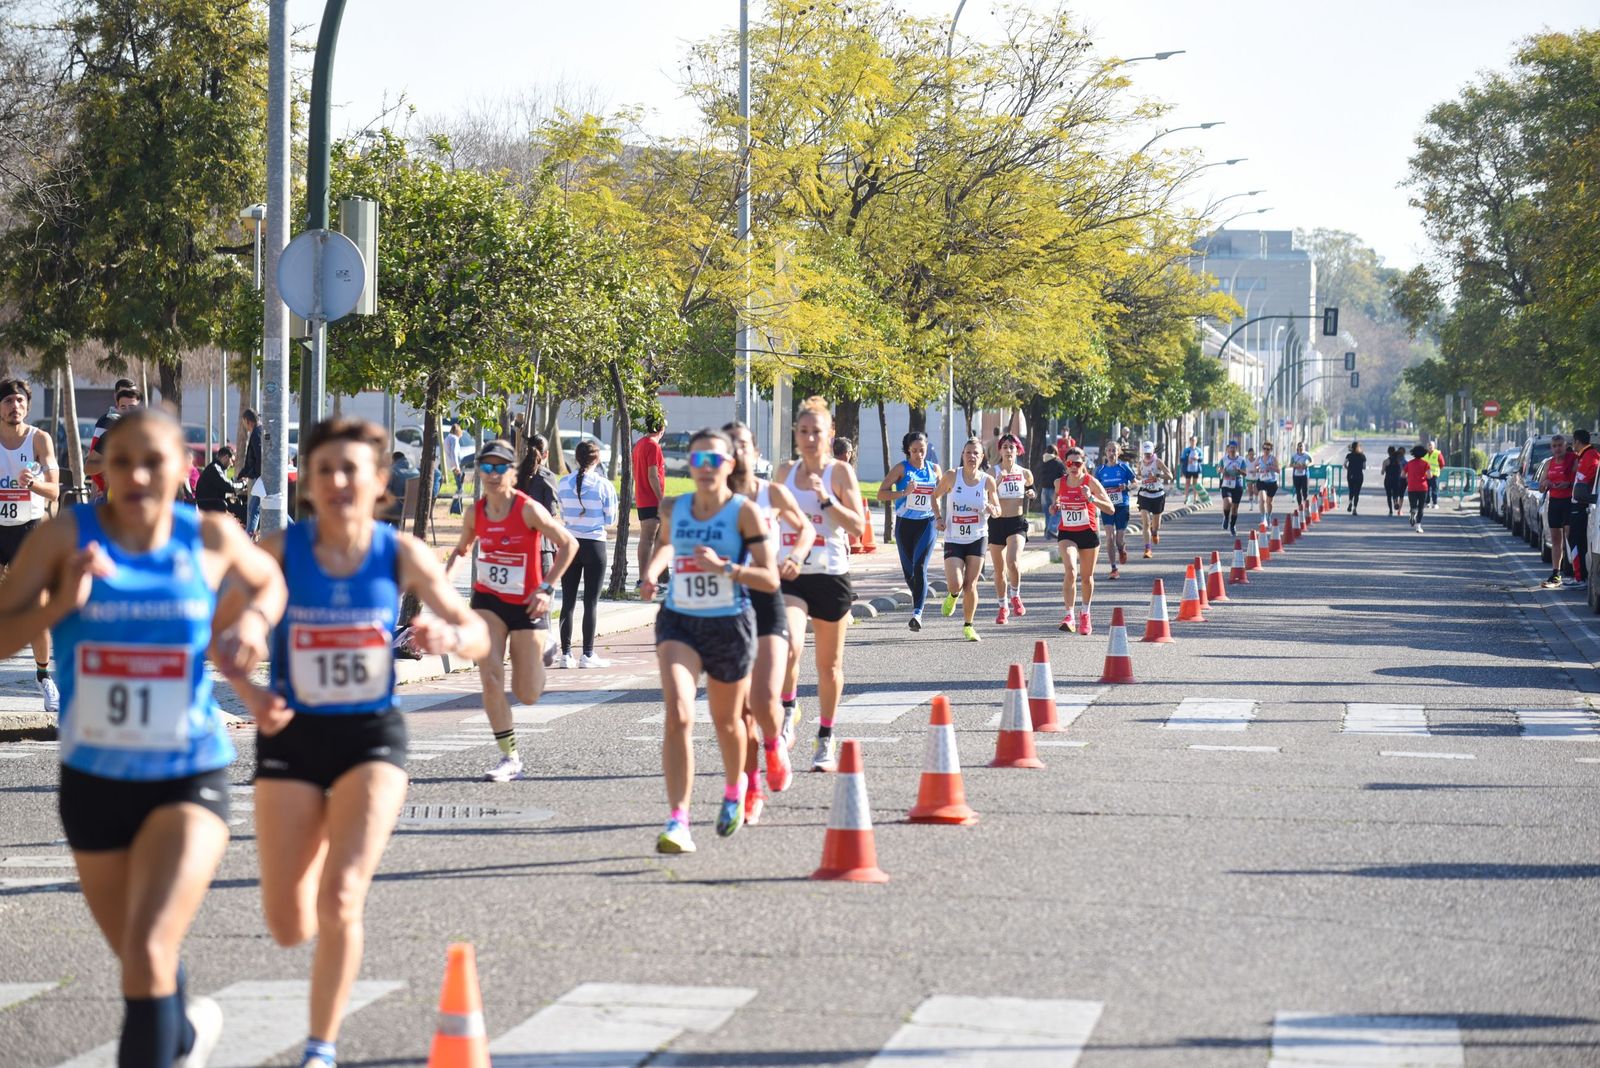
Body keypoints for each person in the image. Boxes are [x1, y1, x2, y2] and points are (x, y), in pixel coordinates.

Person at [0, 407, 285, 1068]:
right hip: (93, 780)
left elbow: (268, 581)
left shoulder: (209, 535)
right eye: (121, 461)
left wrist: (251, 625)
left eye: (152, 461)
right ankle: (182, 1034)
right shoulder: (65, 536)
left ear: (182, 468)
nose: (135, 476)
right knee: (140, 957)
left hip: (187, 774)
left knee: (152, 948)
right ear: (102, 468)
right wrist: (60, 604)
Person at [249, 418, 488, 1068]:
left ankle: (320, 1048)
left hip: (369, 737)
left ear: (379, 482)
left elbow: (474, 632)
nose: (337, 481)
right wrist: (246, 659)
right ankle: (315, 846)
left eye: (351, 469)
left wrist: (450, 636)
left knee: (342, 896)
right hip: (292, 735)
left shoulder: (400, 552)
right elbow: (229, 620)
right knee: (288, 923)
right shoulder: (279, 549)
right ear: (306, 482)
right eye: (324, 469)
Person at [640, 427, 780, 851]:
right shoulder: (676, 507)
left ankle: (735, 790)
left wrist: (726, 568)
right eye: (697, 459)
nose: (705, 467)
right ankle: (678, 820)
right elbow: (668, 544)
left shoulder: (743, 512)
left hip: (729, 624)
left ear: (729, 465)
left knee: (727, 722)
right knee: (679, 714)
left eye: (714, 460)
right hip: (679, 621)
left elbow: (770, 577)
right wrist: (651, 572)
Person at [444, 439, 576, 782]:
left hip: (527, 603)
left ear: (512, 473)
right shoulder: (475, 513)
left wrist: (548, 587)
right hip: (488, 601)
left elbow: (569, 544)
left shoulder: (529, 509)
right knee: (489, 677)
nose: (492, 473)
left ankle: (545, 647)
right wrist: (443, 583)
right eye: (486, 467)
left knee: (527, 694)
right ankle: (510, 757)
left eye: (499, 467)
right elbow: (462, 551)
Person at [725, 421, 810, 826]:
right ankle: (751, 786)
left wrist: (795, 556)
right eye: (730, 446)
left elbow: (805, 527)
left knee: (763, 700)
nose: (737, 452)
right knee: (740, 712)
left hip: (766, 598)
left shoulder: (771, 492)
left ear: (755, 452)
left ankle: (775, 743)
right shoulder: (713, 500)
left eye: (743, 445)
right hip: (726, 607)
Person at [775, 397, 866, 772]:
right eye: (804, 431)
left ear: (830, 434)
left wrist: (826, 500)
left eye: (817, 431)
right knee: (788, 646)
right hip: (792, 575)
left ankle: (825, 737)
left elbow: (857, 526)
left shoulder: (839, 473)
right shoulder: (784, 473)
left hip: (831, 575)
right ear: (796, 435)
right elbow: (767, 517)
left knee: (829, 667)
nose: (810, 438)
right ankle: (788, 710)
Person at [0, 379, 61, 713]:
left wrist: (33, 483)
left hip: (29, 529)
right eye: (9, 400)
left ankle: (43, 677)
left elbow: (55, 491)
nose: (16, 407)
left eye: (20, 401)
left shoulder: (39, 439)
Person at [555, 439, 618, 668]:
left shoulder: (563, 483)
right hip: (594, 544)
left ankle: (565, 654)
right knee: (591, 602)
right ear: (597, 459)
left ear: (576, 458)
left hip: (569, 543)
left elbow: (563, 513)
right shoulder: (603, 485)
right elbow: (610, 519)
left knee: (568, 601)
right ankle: (588, 654)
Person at [932, 438, 999, 642]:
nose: (972, 456)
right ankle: (953, 595)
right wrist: (938, 518)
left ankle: (969, 626)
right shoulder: (952, 476)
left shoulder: (987, 480)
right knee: (956, 584)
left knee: (971, 584)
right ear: (962, 455)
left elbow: (998, 509)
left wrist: (993, 509)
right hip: (954, 537)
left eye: (976, 453)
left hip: (978, 537)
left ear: (982, 457)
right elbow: (934, 496)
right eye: (968, 452)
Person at [877, 431, 941, 631]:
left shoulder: (935, 469)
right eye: (914, 451)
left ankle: (917, 613)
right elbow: (881, 494)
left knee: (920, 566)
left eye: (922, 450)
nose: (919, 455)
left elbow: (941, 493)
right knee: (909, 574)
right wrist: (904, 492)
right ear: (908, 451)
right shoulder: (901, 469)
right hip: (905, 524)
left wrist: (940, 517)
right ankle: (920, 596)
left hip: (927, 523)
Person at [1055, 444, 1115, 635]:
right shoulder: (1059, 483)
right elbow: (1056, 500)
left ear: (1084, 464)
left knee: (1087, 577)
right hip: (1067, 533)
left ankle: (1085, 614)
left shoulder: (1091, 482)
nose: (1074, 467)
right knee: (1071, 571)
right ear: (1065, 464)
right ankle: (1069, 616)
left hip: (1088, 533)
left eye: (1078, 463)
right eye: (1070, 463)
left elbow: (1110, 509)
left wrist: (1091, 499)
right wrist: (1054, 506)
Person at [515, 431, 563, 667]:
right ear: (546, 454)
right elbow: (552, 514)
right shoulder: (547, 477)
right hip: (542, 546)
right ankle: (544, 646)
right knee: (544, 599)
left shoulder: (516, 475)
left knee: (522, 599)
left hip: (518, 545)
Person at [987, 433, 1034, 623]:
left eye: (1011, 447)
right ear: (1000, 451)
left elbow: (1031, 488)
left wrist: (1031, 493)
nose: (1008, 450)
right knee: (999, 570)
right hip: (997, 522)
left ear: (1017, 450)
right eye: (1005, 447)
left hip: (1016, 522)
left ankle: (1015, 595)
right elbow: (984, 494)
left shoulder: (1024, 473)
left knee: (1013, 562)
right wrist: (998, 481)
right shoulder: (992, 472)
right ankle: (1003, 607)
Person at [632, 414, 668, 595]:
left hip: (643, 496)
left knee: (660, 539)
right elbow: (652, 474)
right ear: (661, 428)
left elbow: (635, 472)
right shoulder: (653, 446)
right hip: (651, 499)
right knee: (648, 539)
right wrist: (661, 499)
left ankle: (663, 580)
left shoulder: (639, 444)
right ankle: (643, 580)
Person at [83, 378, 137, 499]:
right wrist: (101, 487)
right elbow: (92, 463)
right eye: (123, 394)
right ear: (116, 399)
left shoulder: (149, 431)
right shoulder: (107, 423)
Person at [1093, 441, 1134, 579]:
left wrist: (1126, 487)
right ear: (1106, 452)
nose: (1112, 453)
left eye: (1114, 450)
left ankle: (1121, 549)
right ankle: (1113, 568)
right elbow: (1094, 487)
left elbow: (1135, 483)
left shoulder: (1124, 467)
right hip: (1107, 506)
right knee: (1109, 537)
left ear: (1118, 452)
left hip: (1122, 506)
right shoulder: (1100, 470)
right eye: (1109, 450)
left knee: (1119, 539)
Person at [1540, 433, 1575, 589]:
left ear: (1566, 446)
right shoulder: (1549, 463)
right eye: (1554, 446)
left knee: (1569, 535)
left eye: (1560, 445)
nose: (1557, 449)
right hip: (1554, 502)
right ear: (1551, 448)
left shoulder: (1573, 460)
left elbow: (1580, 479)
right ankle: (1556, 572)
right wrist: (1546, 483)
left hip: (1569, 502)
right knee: (1555, 538)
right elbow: (1541, 487)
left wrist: (1568, 484)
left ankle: (1575, 571)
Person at [1569, 428, 1598, 585]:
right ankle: (1579, 577)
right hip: (1579, 503)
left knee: (1577, 540)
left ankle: (1580, 578)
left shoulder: (1591, 456)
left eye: (1573, 442)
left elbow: (1587, 479)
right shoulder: (1583, 456)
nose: (1572, 445)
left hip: (1582, 504)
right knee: (1576, 540)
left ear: (1578, 441)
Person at [1134, 441, 1172, 558]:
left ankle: (1154, 532)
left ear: (1153, 452)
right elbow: (1139, 475)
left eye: (1149, 453)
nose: (1147, 455)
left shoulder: (1158, 462)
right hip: (1144, 494)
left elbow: (1170, 476)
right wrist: (1139, 478)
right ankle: (1147, 549)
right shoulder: (1140, 463)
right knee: (1145, 523)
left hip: (1157, 495)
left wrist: (1157, 476)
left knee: (1156, 526)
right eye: (1145, 453)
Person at [194, 445, 245, 523]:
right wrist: (244, 483)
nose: (232, 465)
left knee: (240, 506)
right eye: (232, 461)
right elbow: (230, 487)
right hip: (211, 506)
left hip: (212, 504)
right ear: (226, 457)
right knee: (245, 510)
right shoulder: (215, 469)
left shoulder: (215, 467)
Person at [238, 407, 263, 536]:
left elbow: (259, 457)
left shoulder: (256, 433)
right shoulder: (260, 431)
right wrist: (243, 473)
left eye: (244, 422)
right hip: (263, 477)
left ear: (247, 421)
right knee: (256, 508)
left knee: (254, 509)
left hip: (263, 478)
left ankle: (248, 537)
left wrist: (254, 473)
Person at [380, 450, 419, 528]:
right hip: (414, 508)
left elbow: (386, 491)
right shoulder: (416, 472)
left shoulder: (392, 472)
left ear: (393, 460)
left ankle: (383, 532)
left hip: (397, 508)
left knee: (381, 512)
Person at [1218, 441, 1249, 535]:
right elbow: (1219, 469)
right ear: (1228, 449)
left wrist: (1239, 471)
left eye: (1233, 448)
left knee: (1235, 508)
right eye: (1230, 448)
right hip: (1226, 484)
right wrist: (1222, 471)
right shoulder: (1223, 459)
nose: (1232, 449)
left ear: (1236, 449)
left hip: (1237, 485)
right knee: (1228, 502)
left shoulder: (1241, 460)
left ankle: (1232, 526)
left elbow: (1245, 473)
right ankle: (1226, 517)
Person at [1036, 446, 1065, 535]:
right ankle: (1051, 528)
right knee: (1056, 509)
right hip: (1054, 490)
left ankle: (1047, 532)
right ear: (1056, 452)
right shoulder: (1058, 462)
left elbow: (1039, 474)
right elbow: (1063, 475)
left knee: (1047, 512)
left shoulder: (1043, 461)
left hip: (1044, 489)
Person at [1404, 444, 1432, 531]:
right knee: (1421, 507)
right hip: (1423, 488)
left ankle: (1413, 512)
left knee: (1413, 505)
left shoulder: (1409, 463)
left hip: (1412, 487)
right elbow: (1429, 476)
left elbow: (1402, 474)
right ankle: (1418, 526)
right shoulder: (1426, 463)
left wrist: (1409, 477)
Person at [441, 421, 465, 507]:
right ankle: (456, 507)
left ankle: (457, 507)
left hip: (451, 464)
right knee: (460, 488)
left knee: (459, 486)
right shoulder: (454, 438)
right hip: (455, 465)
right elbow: (454, 453)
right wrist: (457, 466)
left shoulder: (448, 438)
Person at [1257, 441, 1282, 521]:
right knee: (1262, 499)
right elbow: (1254, 468)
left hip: (1272, 482)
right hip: (1262, 481)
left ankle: (1268, 516)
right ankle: (1263, 517)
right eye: (1264, 448)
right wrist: (1257, 469)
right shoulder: (1259, 458)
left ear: (1271, 450)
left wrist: (1271, 467)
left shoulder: (1273, 459)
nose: (1266, 450)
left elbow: (1279, 470)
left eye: (1268, 449)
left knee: (1269, 502)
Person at [1179, 436, 1204, 506]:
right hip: (1188, 469)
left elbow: (1201, 459)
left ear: (1196, 441)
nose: (1193, 442)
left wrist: (1197, 458)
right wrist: (1187, 460)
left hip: (1196, 469)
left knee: (1195, 484)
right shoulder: (1186, 450)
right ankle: (1186, 498)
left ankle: (1195, 499)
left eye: (1194, 440)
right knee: (1187, 483)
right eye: (1192, 440)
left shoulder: (1199, 450)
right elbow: (1182, 459)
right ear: (1190, 441)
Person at [1382, 446, 1406, 516]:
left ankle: (1390, 511)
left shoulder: (1386, 461)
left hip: (1388, 479)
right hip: (1397, 480)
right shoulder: (1399, 461)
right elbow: (1402, 471)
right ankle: (1395, 501)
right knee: (1395, 493)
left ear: (1388, 452)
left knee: (1389, 495)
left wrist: (1384, 470)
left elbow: (1382, 472)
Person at [1344, 441, 1367, 514]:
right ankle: (1354, 508)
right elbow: (1364, 467)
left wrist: (1349, 468)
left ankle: (1350, 502)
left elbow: (1344, 464)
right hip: (1359, 475)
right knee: (1357, 493)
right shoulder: (1362, 456)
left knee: (1351, 490)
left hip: (1350, 475)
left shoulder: (1349, 455)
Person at [1290, 442, 1313, 507]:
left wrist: (1306, 465)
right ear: (1297, 447)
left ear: (1304, 447)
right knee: (1298, 491)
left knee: (1305, 491)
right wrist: (1296, 465)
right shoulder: (1294, 455)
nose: (1300, 448)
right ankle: (1300, 506)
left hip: (1304, 475)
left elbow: (1312, 462)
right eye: (1299, 446)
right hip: (1296, 475)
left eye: (1302, 446)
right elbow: (1290, 464)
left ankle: (1305, 503)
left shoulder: (1307, 455)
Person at [1424, 439, 1444, 507]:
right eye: (1428, 445)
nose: (1430, 447)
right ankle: (1427, 502)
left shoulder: (1437, 453)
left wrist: (1437, 470)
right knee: (1426, 489)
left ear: (1434, 446)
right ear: (1427, 446)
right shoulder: (1425, 454)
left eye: (1431, 445)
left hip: (1434, 474)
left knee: (1434, 489)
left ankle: (1435, 503)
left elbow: (1442, 464)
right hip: (1426, 475)